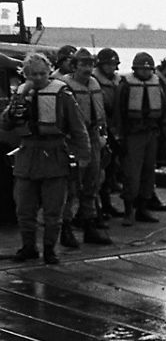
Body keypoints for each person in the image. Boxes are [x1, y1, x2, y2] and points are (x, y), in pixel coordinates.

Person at [0, 52, 91, 263]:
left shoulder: (62, 95)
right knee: (24, 208)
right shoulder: (20, 94)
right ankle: (28, 247)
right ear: (25, 74)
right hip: (27, 155)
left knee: (53, 209)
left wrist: (83, 157)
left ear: (49, 72)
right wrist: (13, 111)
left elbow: (79, 128)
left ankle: (50, 249)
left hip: (54, 155)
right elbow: (5, 124)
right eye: (33, 74)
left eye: (42, 73)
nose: (38, 78)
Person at [60, 48, 112, 246]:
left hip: (93, 135)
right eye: (83, 64)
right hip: (73, 138)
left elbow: (101, 112)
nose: (88, 69)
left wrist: (103, 135)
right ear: (74, 66)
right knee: (72, 186)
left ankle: (89, 224)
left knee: (92, 183)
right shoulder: (65, 86)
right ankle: (65, 228)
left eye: (91, 64)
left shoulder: (94, 83)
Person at [113, 52, 166, 225]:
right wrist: (120, 136)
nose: (145, 72)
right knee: (132, 173)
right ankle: (128, 210)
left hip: (151, 134)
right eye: (142, 69)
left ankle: (143, 208)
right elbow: (119, 112)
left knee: (148, 172)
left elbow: (163, 112)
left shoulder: (157, 85)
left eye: (148, 69)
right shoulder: (126, 86)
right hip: (133, 135)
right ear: (135, 69)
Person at [92, 47, 125, 218]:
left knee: (110, 169)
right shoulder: (93, 81)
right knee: (98, 171)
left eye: (114, 64)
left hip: (115, 127)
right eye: (109, 64)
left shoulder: (118, 81)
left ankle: (106, 204)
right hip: (100, 128)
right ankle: (95, 207)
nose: (112, 68)